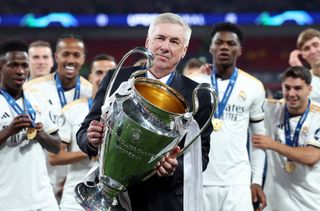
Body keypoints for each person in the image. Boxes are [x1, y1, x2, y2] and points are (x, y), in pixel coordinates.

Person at [77, 12, 213, 211]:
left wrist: (174, 168)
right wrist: (91, 139)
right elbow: (83, 133)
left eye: (174, 42)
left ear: (184, 51)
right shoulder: (117, 78)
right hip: (116, 200)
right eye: (160, 38)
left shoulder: (197, 96)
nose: (165, 47)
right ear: (148, 42)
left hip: (164, 201)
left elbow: (200, 158)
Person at [201, 22, 266, 211]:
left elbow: (258, 141)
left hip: (237, 182)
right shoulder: (196, 83)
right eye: (219, 42)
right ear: (211, 47)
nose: (224, 47)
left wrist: (256, 181)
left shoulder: (254, 86)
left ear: (239, 50)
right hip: (200, 179)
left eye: (231, 44)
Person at [24, 34, 92, 202]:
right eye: (65, 54)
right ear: (56, 57)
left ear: (83, 59)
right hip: (38, 180)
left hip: (73, 184)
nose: (71, 60)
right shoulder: (33, 90)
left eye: (76, 55)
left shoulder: (90, 93)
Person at [49, 53, 116, 211]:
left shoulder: (125, 111)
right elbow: (55, 156)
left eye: (110, 73)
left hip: (112, 200)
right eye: (99, 73)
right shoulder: (72, 109)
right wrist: (90, 151)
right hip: (75, 200)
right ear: (90, 77)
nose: (103, 78)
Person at [0, 38, 61, 210]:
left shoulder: (39, 99)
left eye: (24, 65)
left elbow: (56, 147)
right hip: (7, 201)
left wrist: (41, 134)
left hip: (43, 199)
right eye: (13, 65)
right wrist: (9, 131)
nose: (20, 71)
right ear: (0, 66)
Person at [253, 66, 320, 210]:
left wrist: (273, 144)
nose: (291, 93)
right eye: (287, 88)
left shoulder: (318, 115)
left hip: (310, 204)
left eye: (298, 88)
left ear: (309, 89)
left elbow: (312, 157)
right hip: (274, 203)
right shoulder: (272, 109)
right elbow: (243, 99)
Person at [288, 28, 320, 103]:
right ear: (302, 55)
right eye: (307, 48)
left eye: (316, 45)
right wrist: (300, 74)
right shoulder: (303, 79)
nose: (313, 51)